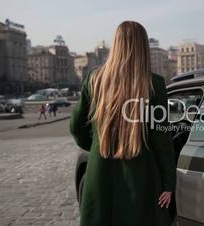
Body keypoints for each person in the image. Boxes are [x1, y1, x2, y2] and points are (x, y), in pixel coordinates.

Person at [70, 21, 176, 226]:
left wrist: (97, 144)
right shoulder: (154, 84)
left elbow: (76, 126)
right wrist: (168, 183)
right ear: (143, 47)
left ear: (116, 45)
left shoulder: (94, 80)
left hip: (99, 175)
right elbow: (162, 140)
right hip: (142, 177)